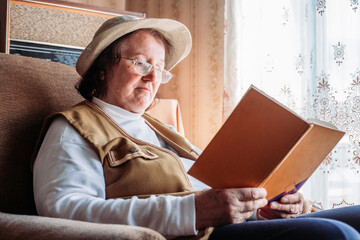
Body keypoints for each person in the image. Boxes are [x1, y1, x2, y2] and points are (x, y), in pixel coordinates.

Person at [32, 15, 360, 240]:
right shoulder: (72, 129)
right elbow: (65, 211)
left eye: (160, 69)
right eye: (141, 63)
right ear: (102, 69)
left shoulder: (162, 130)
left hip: (229, 227)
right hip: (196, 236)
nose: (153, 78)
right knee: (337, 235)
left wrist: (262, 210)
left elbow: (217, 198)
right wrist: (191, 210)